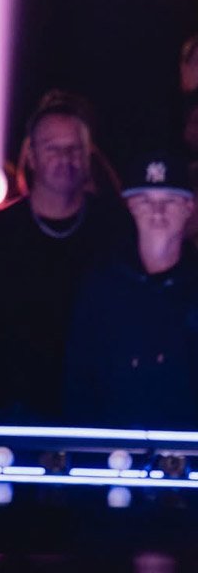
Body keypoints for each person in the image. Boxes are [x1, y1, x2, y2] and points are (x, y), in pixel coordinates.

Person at [0, 95, 130, 423]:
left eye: (75, 149)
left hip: (99, 407)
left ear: (88, 156)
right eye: (53, 148)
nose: (65, 158)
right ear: (33, 156)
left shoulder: (116, 226)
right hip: (13, 407)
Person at [65, 150, 198, 429]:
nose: (157, 212)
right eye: (146, 202)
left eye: (170, 201)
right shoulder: (100, 287)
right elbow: (79, 381)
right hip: (112, 453)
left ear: (190, 207)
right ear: (130, 206)